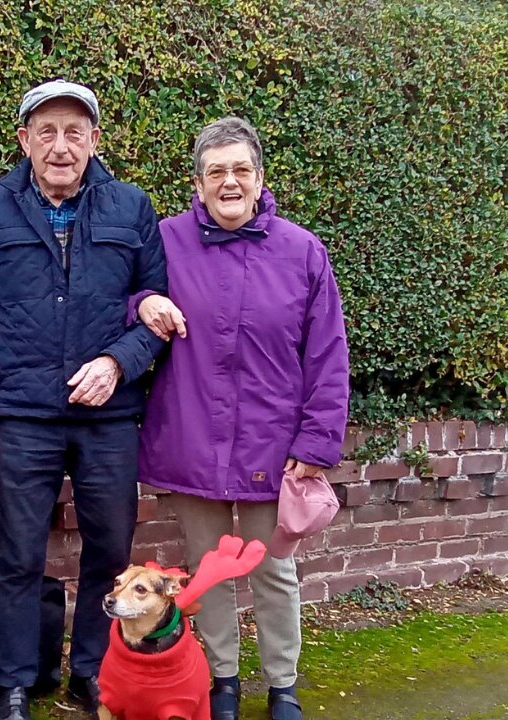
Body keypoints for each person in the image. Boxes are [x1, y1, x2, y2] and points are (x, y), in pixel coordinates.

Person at [0, 79, 168, 720]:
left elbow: (155, 314)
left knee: (111, 550)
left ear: (95, 140)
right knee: (16, 552)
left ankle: (93, 674)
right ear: (25, 140)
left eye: (75, 131)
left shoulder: (131, 208)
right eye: (47, 131)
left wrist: (117, 363)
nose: (61, 145)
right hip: (21, 416)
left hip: (108, 417)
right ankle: (14, 682)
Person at [132, 117, 349, 720]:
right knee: (206, 572)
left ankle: (283, 685)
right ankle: (222, 679)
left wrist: (317, 440)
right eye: (216, 171)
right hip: (191, 434)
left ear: (259, 179)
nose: (229, 181)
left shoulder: (302, 250)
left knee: (273, 570)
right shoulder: (165, 241)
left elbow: (327, 352)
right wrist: (142, 300)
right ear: (198, 184)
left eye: (240, 169)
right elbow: (123, 297)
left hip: (272, 445)